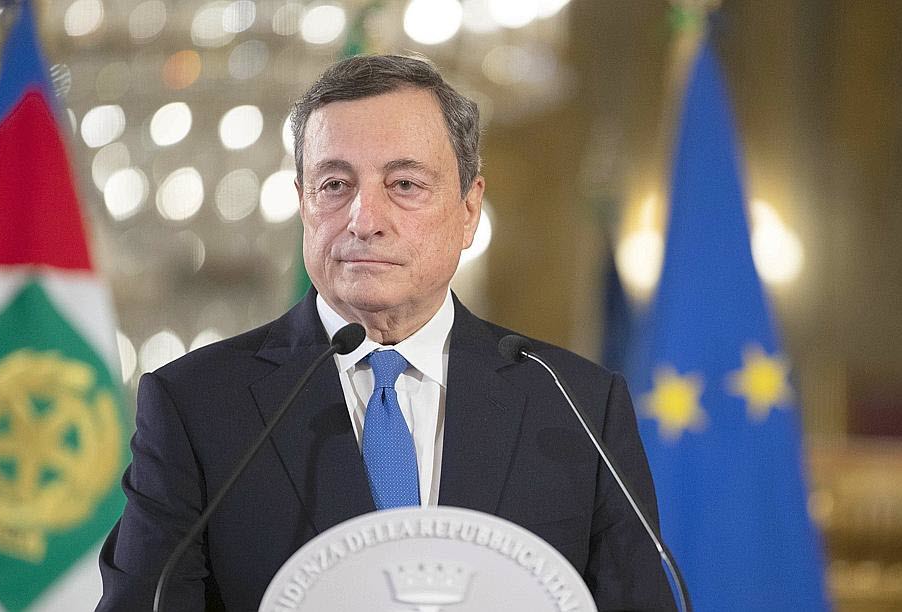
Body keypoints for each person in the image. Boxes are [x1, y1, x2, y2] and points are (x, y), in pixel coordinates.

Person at [97, 55, 675, 611]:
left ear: (469, 209)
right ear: (302, 203)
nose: (365, 220)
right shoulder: (196, 405)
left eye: (404, 184)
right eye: (334, 185)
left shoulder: (575, 404)